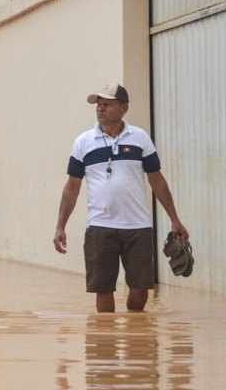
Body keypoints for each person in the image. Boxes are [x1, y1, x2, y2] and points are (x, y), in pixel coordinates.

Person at [53, 83, 189, 313]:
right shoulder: (82, 143)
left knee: (140, 290)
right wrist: (60, 226)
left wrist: (175, 219)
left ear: (124, 108)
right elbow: (72, 187)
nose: (100, 108)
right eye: (98, 104)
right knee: (103, 289)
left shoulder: (140, 138)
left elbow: (157, 180)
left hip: (138, 227)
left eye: (107, 104)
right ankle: (107, 342)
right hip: (99, 227)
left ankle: (135, 335)